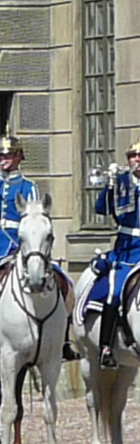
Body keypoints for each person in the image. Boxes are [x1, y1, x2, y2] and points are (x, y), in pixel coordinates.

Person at [0, 129, 79, 368]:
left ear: (20, 157)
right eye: (1, 154)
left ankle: (61, 341)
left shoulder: (29, 187)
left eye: (9, 154)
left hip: (19, 250)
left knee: (63, 284)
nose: (4, 158)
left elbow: (35, 221)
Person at [89, 139, 140, 368]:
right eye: (133, 156)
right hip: (128, 251)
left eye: (139, 157)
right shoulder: (122, 184)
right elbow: (101, 209)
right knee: (114, 293)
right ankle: (106, 348)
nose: (137, 160)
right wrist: (109, 188)